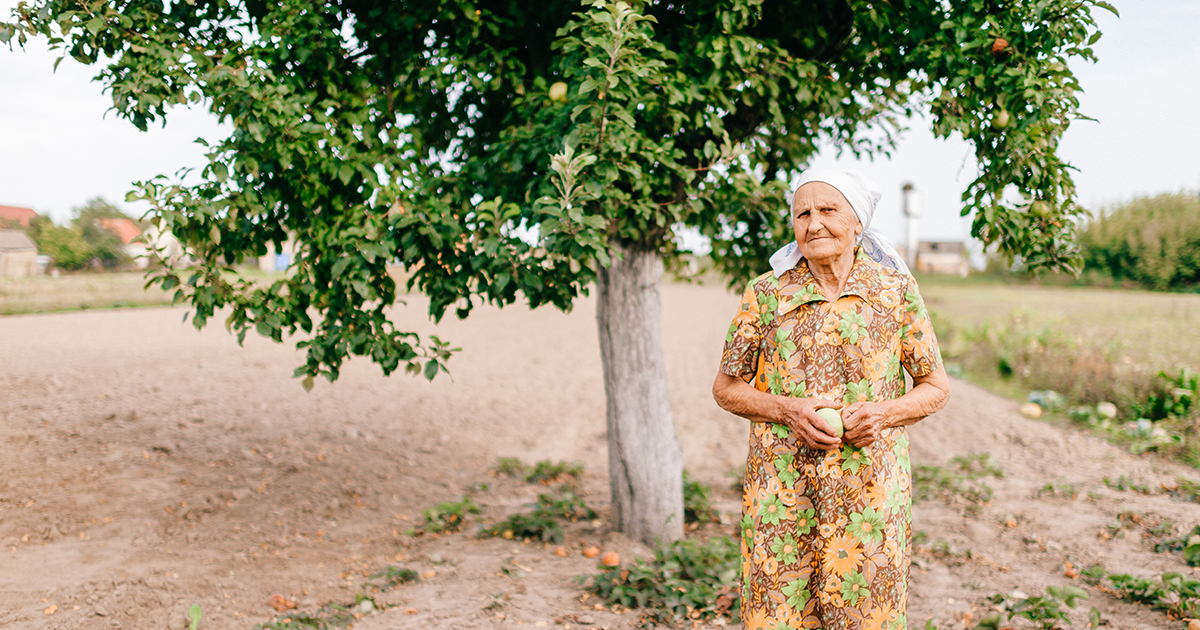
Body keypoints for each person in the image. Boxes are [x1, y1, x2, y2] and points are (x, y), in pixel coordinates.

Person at [712, 169, 950, 630]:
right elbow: (726, 388)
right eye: (802, 213)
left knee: (866, 619)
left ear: (858, 221)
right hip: (782, 496)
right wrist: (787, 410)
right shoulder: (765, 294)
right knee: (779, 618)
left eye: (827, 210)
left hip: (871, 499)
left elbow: (935, 387)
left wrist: (883, 413)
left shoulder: (895, 292)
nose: (814, 223)